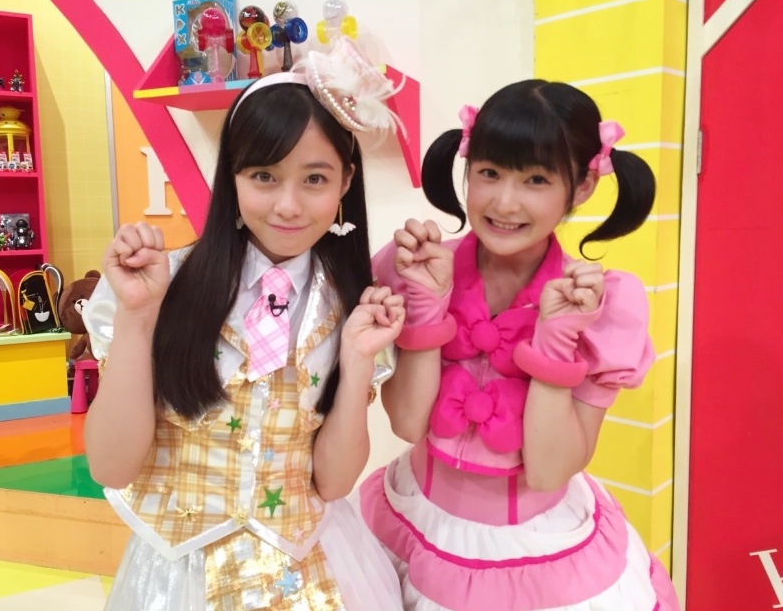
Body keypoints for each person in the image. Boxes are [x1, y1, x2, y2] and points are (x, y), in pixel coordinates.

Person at [82, 38, 406, 611]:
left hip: (313, 570)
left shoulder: (353, 308)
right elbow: (110, 466)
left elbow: (333, 484)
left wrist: (357, 362)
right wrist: (136, 319)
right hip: (180, 577)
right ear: (231, 176)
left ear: (346, 183)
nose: (288, 205)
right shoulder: (162, 284)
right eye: (263, 176)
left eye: (314, 179)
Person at [359, 79, 681, 611]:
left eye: (536, 179)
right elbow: (408, 424)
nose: (505, 202)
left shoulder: (603, 306)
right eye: (489, 172)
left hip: (536, 548)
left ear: (582, 186)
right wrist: (427, 307)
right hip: (414, 519)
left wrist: (555, 344)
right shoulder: (417, 267)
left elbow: (551, 470)